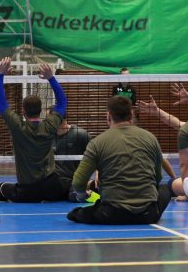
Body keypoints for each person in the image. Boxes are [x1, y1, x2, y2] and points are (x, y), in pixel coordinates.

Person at [67, 96, 172, 225]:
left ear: (108, 116)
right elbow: (157, 177)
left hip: (110, 214)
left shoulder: (97, 143)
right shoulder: (150, 138)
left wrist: (83, 197)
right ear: (131, 115)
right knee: (165, 189)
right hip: (148, 214)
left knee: (74, 214)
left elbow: (78, 182)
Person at [0, 57, 70, 202]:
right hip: (51, 187)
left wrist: (0, 75)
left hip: (28, 190)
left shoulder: (18, 127)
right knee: (68, 186)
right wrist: (51, 78)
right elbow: (62, 102)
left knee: (0, 188)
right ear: (40, 110)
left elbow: (0, 101)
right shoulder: (50, 125)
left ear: (23, 111)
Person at [53, 117, 91, 183]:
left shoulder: (81, 135)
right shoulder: (47, 136)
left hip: (74, 182)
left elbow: (95, 157)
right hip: (52, 183)